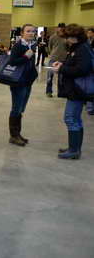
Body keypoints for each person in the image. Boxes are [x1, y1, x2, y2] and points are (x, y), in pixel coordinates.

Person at [53, 24, 92, 159]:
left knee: (70, 118)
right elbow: (75, 64)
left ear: (75, 37)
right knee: (75, 119)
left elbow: (82, 69)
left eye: (68, 38)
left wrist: (62, 69)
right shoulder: (78, 47)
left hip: (77, 89)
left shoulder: (82, 49)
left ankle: (74, 150)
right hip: (75, 89)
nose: (66, 41)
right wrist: (62, 64)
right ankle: (74, 148)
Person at [7, 24, 38, 147]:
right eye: (28, 31)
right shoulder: (18, 46)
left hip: (27, 81)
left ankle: (17, 134)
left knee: (21, 109)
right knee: (16, 108)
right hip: (18, 82)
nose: (31, 33)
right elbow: (12, 62)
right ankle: (13, 136)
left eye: (33, 31)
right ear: (22, 33)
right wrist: (26, 56)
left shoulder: (31, 45)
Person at [46, 23, 67, 97]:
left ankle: (60, 93)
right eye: (60, 28)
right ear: (57, 28)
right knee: (49, 77)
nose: (61, 29)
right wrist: (52, 54)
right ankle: (49, 91)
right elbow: (49, 46)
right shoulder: (53, 37)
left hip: (63, 60)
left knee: (61, 78)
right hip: (53, 59)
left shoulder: (67, 37)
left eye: (63, 28)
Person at [86, 28, 94, 115]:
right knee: (89, 86)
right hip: (89, 66)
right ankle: (90, 107)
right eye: (88, 33)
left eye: (90, 33)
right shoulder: (87, 42)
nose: (89, 34)